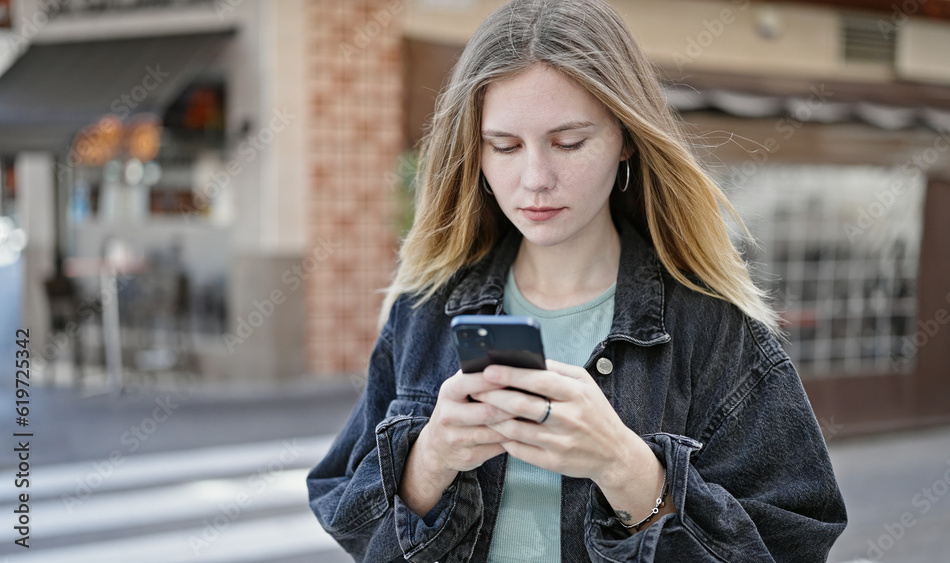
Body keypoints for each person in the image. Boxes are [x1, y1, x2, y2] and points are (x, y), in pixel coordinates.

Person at [307, 0, 847, 561]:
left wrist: (627, 468)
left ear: (628, 138)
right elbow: (347, 517)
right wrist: (427, 464)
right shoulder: (424, 313)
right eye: (505, 146)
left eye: (569, 142)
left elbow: (796, 543)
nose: (536, 179)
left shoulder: (714, 328)